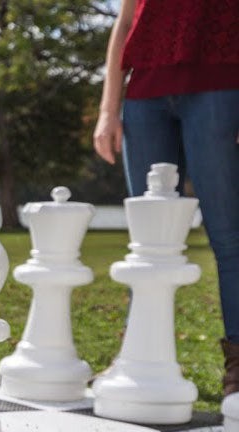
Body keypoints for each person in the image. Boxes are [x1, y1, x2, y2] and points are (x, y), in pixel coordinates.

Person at [93, 0, 239, 396]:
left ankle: (238, 366)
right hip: (145, 95)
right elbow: (125, 23)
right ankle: (137, 357)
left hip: (222, 89)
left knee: (229, 238)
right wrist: (109, 108)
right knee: (147, 245)